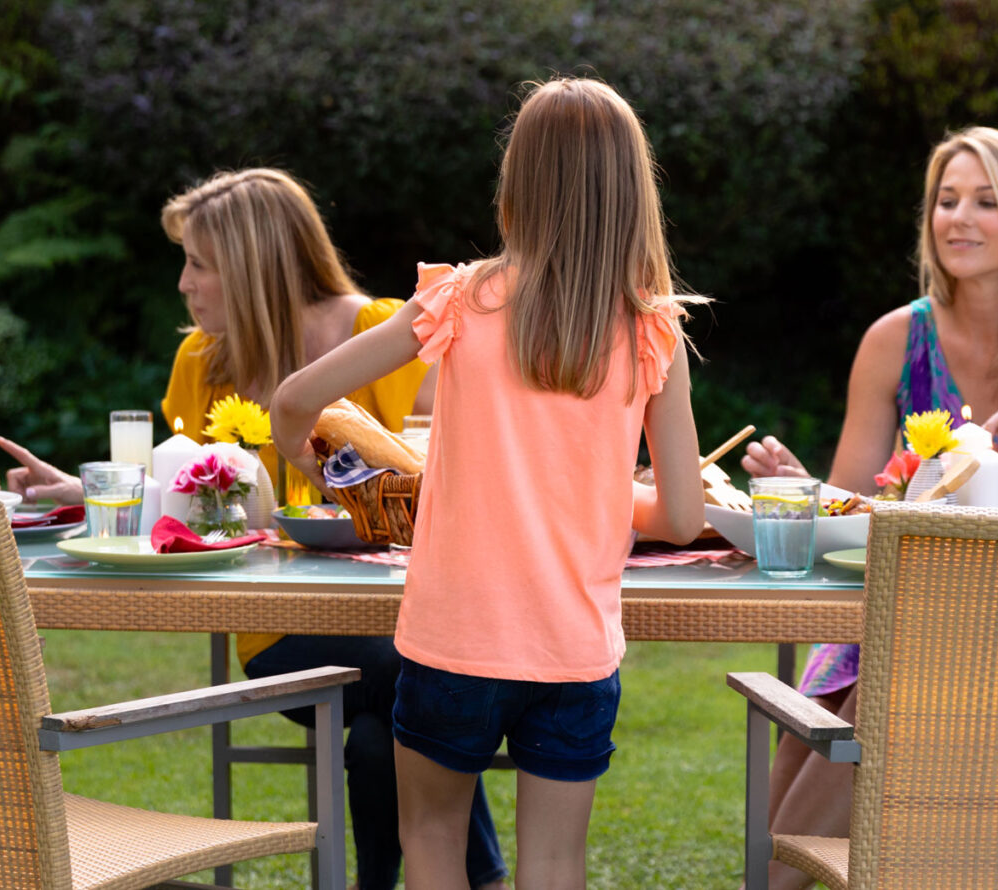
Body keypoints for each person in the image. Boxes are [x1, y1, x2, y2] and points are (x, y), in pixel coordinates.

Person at [1, 167, 503, 890]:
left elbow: (457, 457)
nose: (183, 283)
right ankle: (483, 879)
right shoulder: (202, 363)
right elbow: (183, 484)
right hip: (276, 627)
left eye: (199, 263)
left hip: (402, 610)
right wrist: (88, 491)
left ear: (254, 266)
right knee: (413, 677)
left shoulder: (383, 334)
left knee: (379, 732)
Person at [270, 78, 708, 890]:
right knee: (554, 867)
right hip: (574, 652)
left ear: (515, 187)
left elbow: (296, 398)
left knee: (432, 841)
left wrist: (311, 463)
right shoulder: (653, 331)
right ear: (632, 196)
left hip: (455, 645)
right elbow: (683, 517)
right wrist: (613, 499)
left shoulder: (458, 302)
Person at [737, 126, 998, 889]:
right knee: (825, 718)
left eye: (986, 202)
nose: (959, 217)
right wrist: (807, 487)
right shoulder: (896, 339)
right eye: (945, 201)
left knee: (876, 691)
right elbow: (854, 508)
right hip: (899, 614)